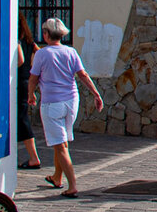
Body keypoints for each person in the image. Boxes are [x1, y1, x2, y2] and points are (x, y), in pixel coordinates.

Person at [28, 18, 103, 198]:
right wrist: (95, 93)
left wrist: (31, 94)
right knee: (62, 142)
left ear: (46, 34)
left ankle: (72, 185)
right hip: (71, 102)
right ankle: (56, 177)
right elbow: (82, 74)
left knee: (60, 145)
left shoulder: (42, 54)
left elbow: (33, 77)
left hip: (52, 103)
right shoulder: (71, 52)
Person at [16, 15, 41, 169]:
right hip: (26, 81)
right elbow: (39, 53)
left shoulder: (16, 40)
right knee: (21, 117)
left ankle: (33, 157)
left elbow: (19, 60)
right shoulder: (29, 42)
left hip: (18, 82)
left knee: (21, 118)